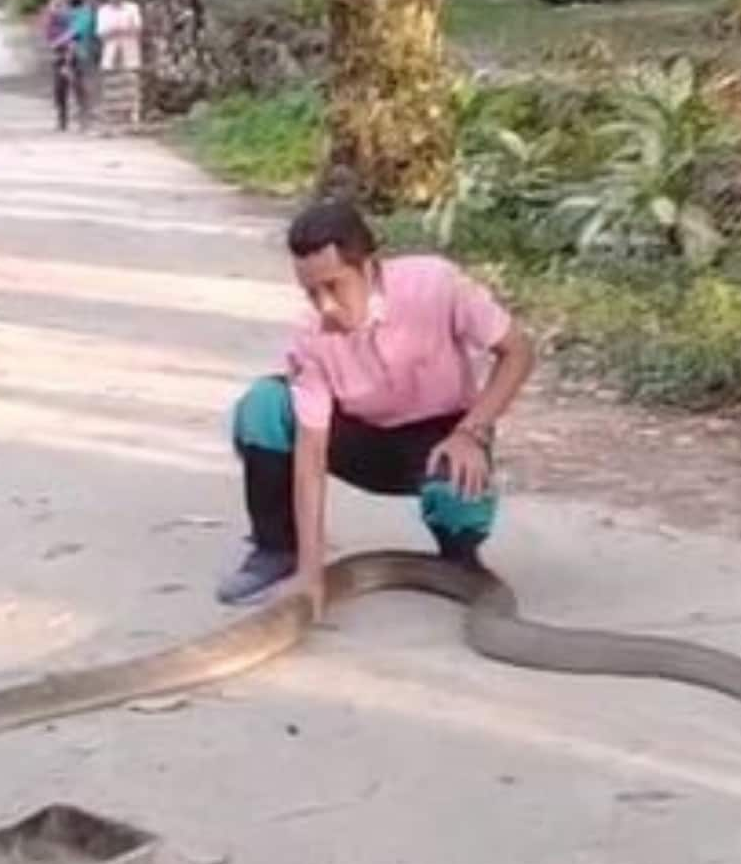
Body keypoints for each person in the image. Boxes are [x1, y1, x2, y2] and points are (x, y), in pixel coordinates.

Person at [217, 199, 537, 614]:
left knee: (458, 479)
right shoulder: (311, 333)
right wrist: (313, 574)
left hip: (440, 435)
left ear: (369, 266)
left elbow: (519, 352)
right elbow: (311, 454)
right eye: (311, 292)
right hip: (360, 438)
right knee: (264, 406)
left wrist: (471, 432)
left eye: (334, 286)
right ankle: (278, 551)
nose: (325, 306)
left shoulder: (435, 284)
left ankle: (460, 563)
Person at [94, 0, 143, 130]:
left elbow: (138, 27)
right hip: (111, 52)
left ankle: (133, 119)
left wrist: (121, 29)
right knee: (111, 86)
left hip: (129, 51)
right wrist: (116, 29)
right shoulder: (103, 10)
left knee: (131, 84)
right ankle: (111, 121)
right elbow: (101, 32)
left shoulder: (132, 8)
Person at [43, 0, 88, 131]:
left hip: (74, 54)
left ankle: (83, 119)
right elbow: (49, 39)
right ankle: (62, 119)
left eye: (60, 5)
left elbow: (77, 34)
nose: (57, 8)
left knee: (78, 86)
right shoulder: (49, 22)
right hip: (59, 56)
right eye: (54, 6)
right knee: (60, 89)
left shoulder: (71, 18)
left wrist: (70, 45)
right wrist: (58, 46)